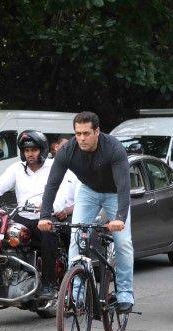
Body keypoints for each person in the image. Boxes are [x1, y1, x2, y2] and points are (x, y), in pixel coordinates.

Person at [38, 111, 135, 314]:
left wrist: (119, 219)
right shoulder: (67, 151)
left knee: (123, 242)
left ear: (97, 131)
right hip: (88, 192)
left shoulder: (113, 148)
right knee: (77, 239)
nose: (81, 138)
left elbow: (124, 187)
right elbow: (52, 185)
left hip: (114, 194)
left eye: (86, 133)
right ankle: (77, 293)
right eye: (78, 133)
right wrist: (45, 215)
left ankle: (125, 292)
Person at [0, 130, 70, 299]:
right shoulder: (16, 168)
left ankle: (48, 284)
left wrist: (49, 206)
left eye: (34, 150)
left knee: (48, 234)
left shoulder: (54, 167)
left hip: (44, 216)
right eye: (26, 150)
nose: (29, 154)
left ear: (43, 150)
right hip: (22, 216)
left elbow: (63, 192)